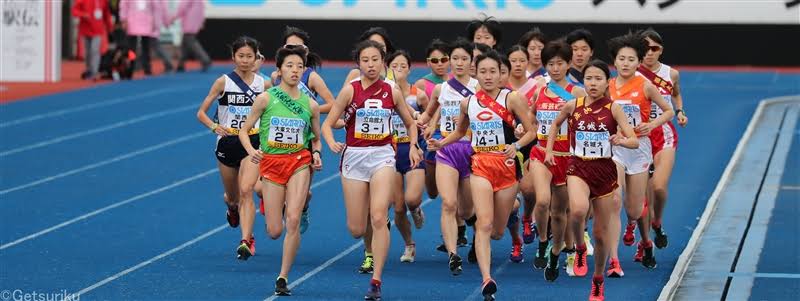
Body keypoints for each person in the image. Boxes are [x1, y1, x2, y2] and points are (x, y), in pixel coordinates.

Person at [429, 50, 536, 301]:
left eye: (493, 72)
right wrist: (441, 144)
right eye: (483, 72)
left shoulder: (513, 98)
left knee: (497, 231)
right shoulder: (469, 103)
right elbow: (459, 132)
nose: (488, 77)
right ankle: (487, 279)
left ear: (501, 74)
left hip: (507, 166)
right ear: (476, 73)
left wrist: (517, 146)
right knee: (484, 224)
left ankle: (511, 219)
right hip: (481, 166)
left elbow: (532, 132)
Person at [321, 40, 421, 301]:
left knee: (378, 216)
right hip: (354, 157)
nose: (371, 65)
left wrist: (412, 146)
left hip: (382, 156)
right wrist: (331, 142)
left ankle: (376, 280)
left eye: (375, 59)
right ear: (359, 63)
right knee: (356, 228)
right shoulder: (349, 91)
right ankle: (373, 231)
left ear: (383, 61)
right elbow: (327, 124)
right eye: (365, 60)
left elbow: (410, 123)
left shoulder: (392, 91)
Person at [545, 59, 639, 301]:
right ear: (583, 81)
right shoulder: (572, 105)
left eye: (598, 78)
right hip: (578, 166)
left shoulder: (613, 108)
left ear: (606, 82)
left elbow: (634, 140)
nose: (593, 83)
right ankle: (578, 247)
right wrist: (549, 151)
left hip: (604, 172)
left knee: (600, 233)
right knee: (576, 210)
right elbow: (555, 125)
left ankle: (598, 279)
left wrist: (621, 141)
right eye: (589, 78)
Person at [237, 46, 323, 296]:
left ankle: (283, 276)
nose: (294, 71)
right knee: (274, 231)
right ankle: (282, 204)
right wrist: (251, 150)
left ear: (304, 70)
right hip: (272, 165)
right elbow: (244, 130)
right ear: (279, 70)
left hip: (298, 162)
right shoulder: (266, 98)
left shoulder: (311, 105)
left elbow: (316, 139)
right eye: (289, 66)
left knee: (293, 220)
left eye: (299, 66)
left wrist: (316, 153)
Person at [606, 32, 674, 276]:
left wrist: (652, 125)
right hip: (614, 148)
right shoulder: (608, 86)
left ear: (638, 62)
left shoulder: (646, 86)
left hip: (639, 148)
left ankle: (646, 242)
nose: (625, 63)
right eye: (621, 59)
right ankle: (614, 261)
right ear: (615, 61)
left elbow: (669, 111)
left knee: (634, 209)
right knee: (614, 201)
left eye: (631, 59)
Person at [195, 36, 265, 259]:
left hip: (252, 142)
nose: (245, 60)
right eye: (241, 56)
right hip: (228, 143)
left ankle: (246, 239)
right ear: (233, 57)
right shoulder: (223, 82)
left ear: (256, 58)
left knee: (247, 191)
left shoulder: (265, 84)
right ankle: (232, 208)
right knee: (233, 196)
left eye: (249, 56)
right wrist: (215, 126)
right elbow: (201, 113)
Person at [417, 38, 478, 273]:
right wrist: (418, 120)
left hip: (471, 152)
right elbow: (427, 115)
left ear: (472, 61)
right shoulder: (442, 89)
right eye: (455, 59)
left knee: (466, 211)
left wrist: (467, 126)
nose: (459, 63)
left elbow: (491, 123)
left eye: (464, 59)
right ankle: (453, 254)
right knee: (448, 203)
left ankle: (475, 234)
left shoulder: (479, 87)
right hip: (446, 150)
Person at [528, 40, 587, 279]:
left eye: (560, 63)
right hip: (542, 153)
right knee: (542, 201)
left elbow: (587, 123)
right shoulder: (541, 90)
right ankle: (543, 240)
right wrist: (525, 129)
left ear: (568, 64)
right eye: (550, 64)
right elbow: (532, 115)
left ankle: (555, 251)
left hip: (567, 157)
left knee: (561, 211)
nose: (555, 68)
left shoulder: (577, 92)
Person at [637, 28, 689, 251]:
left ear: (661, 51)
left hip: (664, 133)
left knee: (658, 187)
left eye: (654, 48)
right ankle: (645, 241)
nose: (649, 53)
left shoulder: (671, 73)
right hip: (640, 136)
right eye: (645, 49)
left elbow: (676, 93)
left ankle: (657, 222)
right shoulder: (631, 74)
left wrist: (679, 111)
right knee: (642, 197)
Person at [387, 50, 428, 263]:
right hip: (391, 154)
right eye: (395, 65)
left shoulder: (418, 94)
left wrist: (422, 121)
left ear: (410, 69)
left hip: (413, 150)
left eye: (403, 65)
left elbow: (430, 118)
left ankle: (418, 209)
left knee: (412, 199)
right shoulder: (384, 94)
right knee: (399, 207)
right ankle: (409, 244)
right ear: (388, 69)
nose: (399, 69)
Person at [72, 0, 113, 81]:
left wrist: (109, 27)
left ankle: (94, 72)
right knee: (87, 52)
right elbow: (74, 11)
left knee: (95, 50)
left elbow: (106, 14)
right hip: (85, 29)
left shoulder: (103, 1)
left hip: (98, 30)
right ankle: (89, 70)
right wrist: (83, 15)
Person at [119, 0, 159, 75]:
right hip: (132, 22)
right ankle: (131, 67)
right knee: (132, 49)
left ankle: (147, 68)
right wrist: (123, 19)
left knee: (146, 48)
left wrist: (155, 22)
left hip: (146, 22)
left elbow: (155, 8)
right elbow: (123, 5)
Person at [172, 0, 211, 72]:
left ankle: (205, 60)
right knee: (185, 44)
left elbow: (182, 8)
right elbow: (202, 10)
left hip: (189, 22)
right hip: (194, 22)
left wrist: (174, 17)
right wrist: (201, 21)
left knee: (191, 42)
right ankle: (180, 65)